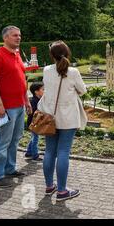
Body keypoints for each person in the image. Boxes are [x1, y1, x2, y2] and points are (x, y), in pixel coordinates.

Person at [38, 41, 87, 201]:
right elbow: (83, 90)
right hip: (68, 118)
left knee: (49, 152)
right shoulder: (73, 72)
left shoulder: (46, 70)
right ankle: (62, 191)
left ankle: (49, 186)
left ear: (51, 55)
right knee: (63, 152)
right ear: (68, 53)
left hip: (49, 117)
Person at [0, 26, 32, 187]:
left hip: (19, 106)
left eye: (19, 35)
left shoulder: (17, 55)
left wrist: (26, 100)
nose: (18, 38)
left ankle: (10, 168)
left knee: (15, 139)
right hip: (5, 108)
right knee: (3, 141)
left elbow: (22, 80)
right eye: (14, 35)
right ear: (5, 38)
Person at [24, 82, 44, 161]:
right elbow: (34, 112)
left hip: (34, 123)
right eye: (42, 89)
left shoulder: (38, 100)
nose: (44, 91)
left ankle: (28, 152)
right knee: (35, 138)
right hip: (33, 123)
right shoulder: (34, 101)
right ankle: (35, 155)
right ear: (36, 92)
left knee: (33, 137)